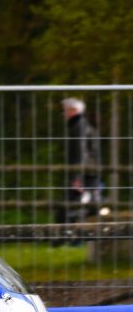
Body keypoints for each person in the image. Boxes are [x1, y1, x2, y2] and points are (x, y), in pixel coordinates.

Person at [56, 97, 103, 227]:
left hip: (85, 174)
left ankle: (68, 234)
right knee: (78, 207)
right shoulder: (81, 125)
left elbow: (80, 152)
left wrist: (77, 177)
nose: (63, 114)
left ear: (74, 110)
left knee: (69, 210)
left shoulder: (79, 126)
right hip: (88, 173)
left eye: (65, 110)